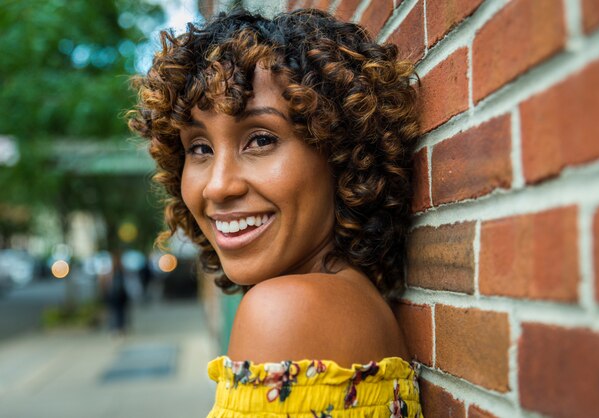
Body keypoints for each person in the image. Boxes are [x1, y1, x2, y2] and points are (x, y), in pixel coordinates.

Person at [129, 7, 422, 417]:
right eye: (200, 148)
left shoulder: (285, 311)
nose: (218, 185)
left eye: (261, 139)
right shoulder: (350, 296)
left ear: (341, 154)